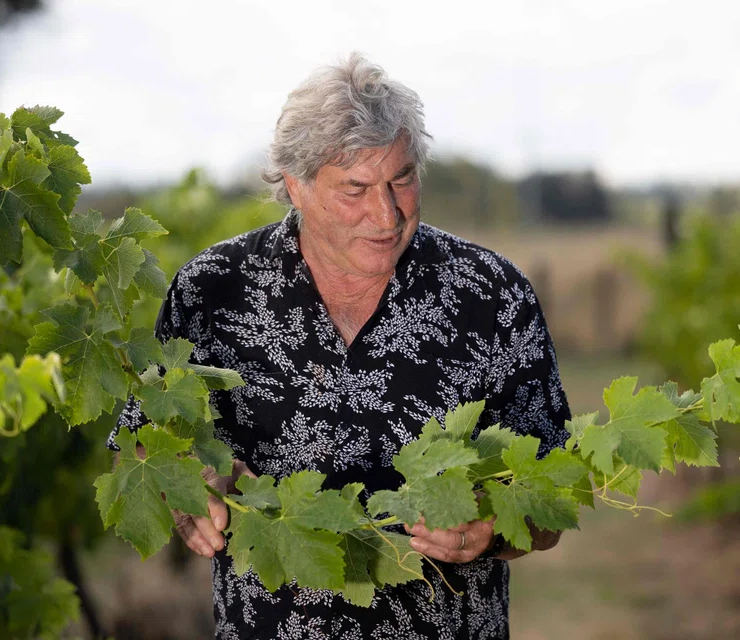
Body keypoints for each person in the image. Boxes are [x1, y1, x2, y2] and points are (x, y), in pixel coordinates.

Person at [108, 53, 571, 640]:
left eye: (401, 178)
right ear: (295, 187)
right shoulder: (213, 292)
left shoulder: (491, 295)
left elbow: (555, 491)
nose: (386, 213)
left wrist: (496, 528)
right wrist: (187, 489)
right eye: (355, 188)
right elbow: (139, 447)